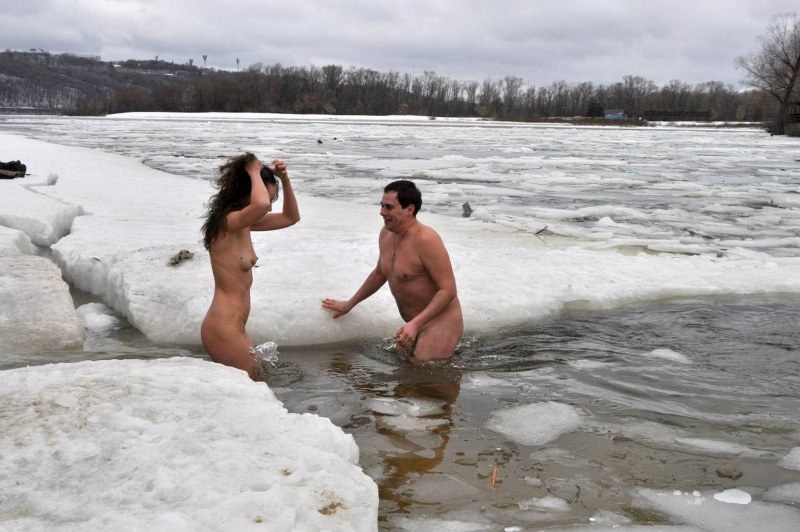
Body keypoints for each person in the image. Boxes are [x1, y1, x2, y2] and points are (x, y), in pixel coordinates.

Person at [322, 180, 463, 361]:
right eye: (381, 206)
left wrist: (415, 324)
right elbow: (380, 273)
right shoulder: (386, 234)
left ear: (409, 210)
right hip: (414, 322)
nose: (382, 212)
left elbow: (448, 290)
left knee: (420, 371)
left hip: (441, 322)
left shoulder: (427, 240)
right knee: (405, 370)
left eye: (388, 207)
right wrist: (349, 304)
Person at [201, 153, 300, 379]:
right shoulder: (228, 222)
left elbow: (291, 217)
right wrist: (253, 171)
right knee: (254, 386)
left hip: (236, 328)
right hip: (223, 329)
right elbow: (261, 204)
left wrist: (284, 179)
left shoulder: (243, 224)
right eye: (269, 199)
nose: (269, 207)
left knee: (256, 383)